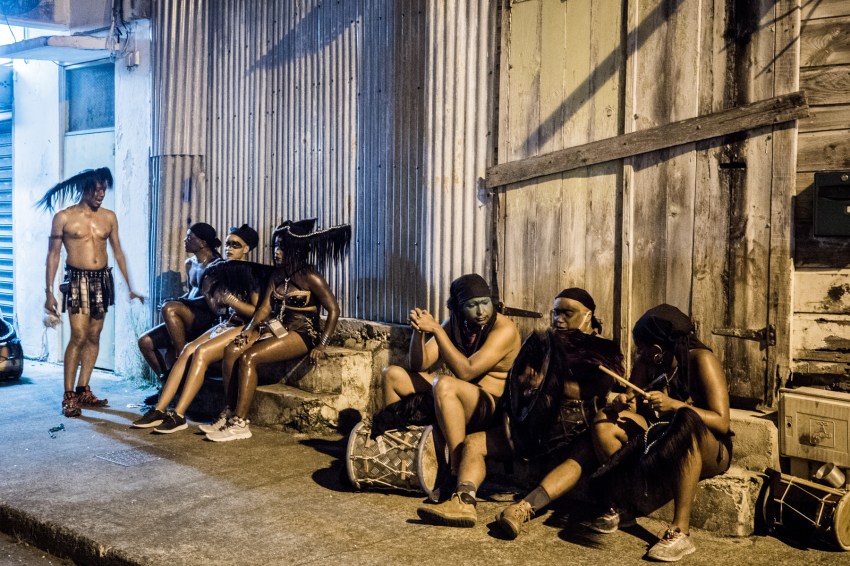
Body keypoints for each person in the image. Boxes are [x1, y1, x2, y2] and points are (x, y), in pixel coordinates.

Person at [416, 288, 623, 534]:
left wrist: (550, 384)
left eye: (568, 313)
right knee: (474, 444)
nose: (559, 319)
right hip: (529, 428)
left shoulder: (603, 350)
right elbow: (519, 381)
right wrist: (526, 381)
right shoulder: (543, 344)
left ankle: (522, 509)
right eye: (556, 312)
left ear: (588, 316)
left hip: (573, 433)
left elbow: (597, 388)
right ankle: (464, 501)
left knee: (581, 456)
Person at [591, 304, 731, 562]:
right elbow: (632, 399)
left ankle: (681, 531)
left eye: (642, 347)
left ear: (657, 350)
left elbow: (722, 422)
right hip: (660, 434)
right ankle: (625, 505)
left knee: (684, 423)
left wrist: (675, 405)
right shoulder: (648, 362)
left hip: (708, 447)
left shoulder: (702, 360)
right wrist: (621, 403)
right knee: (604, 422)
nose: (639, 352)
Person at [205, 219, 351, 442]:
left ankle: (241, 424)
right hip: (279, 326)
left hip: (303, 333)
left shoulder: (310, 276)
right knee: (233, 350)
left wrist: (322, 344)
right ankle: (230, 411)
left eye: (282, 247)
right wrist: (250, 329)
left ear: (296, 249)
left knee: (249, 357)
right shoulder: (277, 275)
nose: (277, 252)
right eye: (275, 246)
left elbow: (333, 310)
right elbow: (263, 309)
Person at [130, 225, 269, 433]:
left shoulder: (251, 273)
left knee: (201, 352)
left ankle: (178, 413)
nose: (229, 249)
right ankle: (160, 410)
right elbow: (216, 306)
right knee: (186, 350)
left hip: (245, 325)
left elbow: (257, 312)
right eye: (228, 244)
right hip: (225, 323)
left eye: (235, 245)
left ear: (247, 249)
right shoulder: (224, 269)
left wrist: (230, 300)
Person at [382, 273, 521, 478]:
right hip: (456, 396)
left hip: (489, 404)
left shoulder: (504, 329)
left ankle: (455, 469)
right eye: (472, 305)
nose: (481, 311)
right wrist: (419, 331)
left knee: (444, 384)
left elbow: (466, 371)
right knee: (392, 375)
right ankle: (397, 453)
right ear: (458, 307)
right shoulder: (456, 322)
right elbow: (419, 364)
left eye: (485, 303)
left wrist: (437, 330)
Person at [39, 167, 144, 418]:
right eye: (96, 188)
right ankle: (69, 396)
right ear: (83, 188)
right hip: (76, 279)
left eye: (104, 188)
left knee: (94, 336)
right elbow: (53, 255)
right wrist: (49, 292)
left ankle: (84, 388)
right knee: (78, 335)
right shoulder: (63, 217)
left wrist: (130, 287)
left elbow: (118, 251)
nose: (101, 193)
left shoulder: (109, 217)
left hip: (101, 279)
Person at [136, 222, 223, 405]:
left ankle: (182, 357)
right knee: (145, 342)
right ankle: (167, 385)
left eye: (190, 237)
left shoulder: (217, 264)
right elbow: (191, 292)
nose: (185, 240)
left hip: (205, 319)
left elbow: (211, 300)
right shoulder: (190, 263)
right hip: (187, 314)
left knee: (170, 308)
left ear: (202, 243)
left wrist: (180, 303)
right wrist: (180, 299)